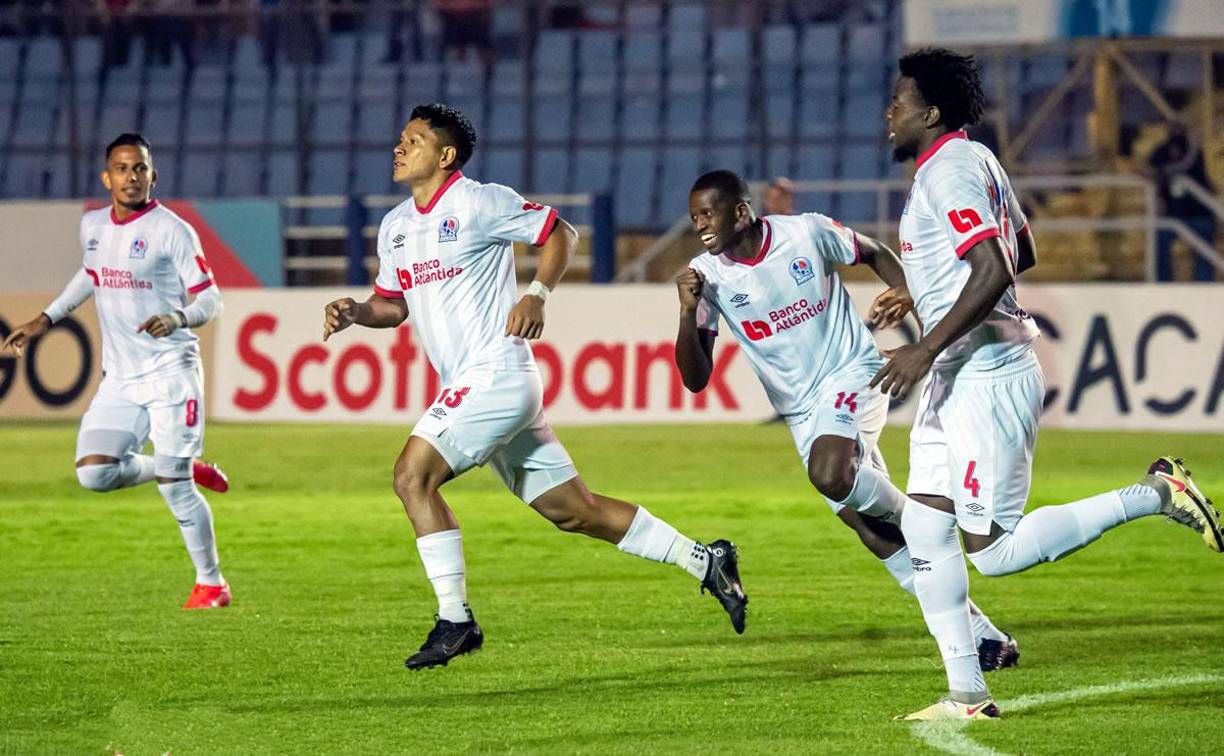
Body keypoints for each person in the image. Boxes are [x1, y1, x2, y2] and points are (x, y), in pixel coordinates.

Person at [321, 104, 747, 671]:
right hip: (476, 385)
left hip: (496, 373)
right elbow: (392, 305)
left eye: (414, 140)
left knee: (411, 475)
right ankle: (706, 560)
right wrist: (355, 311)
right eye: (401, 139)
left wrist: (536, 295)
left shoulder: (480, 201)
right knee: (575, 511)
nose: (399, 148)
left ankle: (456, 620)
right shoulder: (397, 226)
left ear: (445, 156)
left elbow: (561, 234)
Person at [875, 48, 1221, 721]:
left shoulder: (949, 172)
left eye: (901, 99)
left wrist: (924, 344)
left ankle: (1154, 493)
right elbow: (1022, 249)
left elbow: (996, 264)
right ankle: (968, 697)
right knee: (921, 523)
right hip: (960, 375)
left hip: (985, 377)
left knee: (995, 553)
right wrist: (915, 294)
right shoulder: (970, 161)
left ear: (932, 111)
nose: (890, 110)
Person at [674, 170, 1019, 674]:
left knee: (831, 474)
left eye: (708, 213)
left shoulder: (805, 232)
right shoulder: (706, 277)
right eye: (694, 217)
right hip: (800, 412)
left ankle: (928, 523)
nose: (700, 225)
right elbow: (695, 378)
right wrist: (687, 313)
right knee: (874, 532)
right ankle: (986, 638)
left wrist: (906, 290)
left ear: (741, 211)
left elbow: (873, 250)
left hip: (852, 372)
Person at [2, 133, 233, 609]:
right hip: (122, 379)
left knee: (176, 489)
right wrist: (44, 319)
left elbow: (211, 298)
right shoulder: (92, 226)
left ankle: (212, 583)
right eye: (123, 169)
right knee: (94, 473)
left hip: (172, 373)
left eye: (140, 168)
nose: (132, 177)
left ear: (153, 175)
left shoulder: (174, 230)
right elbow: (90, 273)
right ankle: (180, 468)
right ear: (107, 177)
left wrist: (177, 317)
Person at [1148, 121, 1217, 282]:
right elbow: (1167, 170)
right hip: (1173, 213)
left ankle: (1204, 287)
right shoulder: (1161, 152)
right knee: (1160, 239)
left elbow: (1199, 173)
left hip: (1199, 212)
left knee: (1204, 247)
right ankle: (1163, 284)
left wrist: (1194, 147)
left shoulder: (1198, 152)